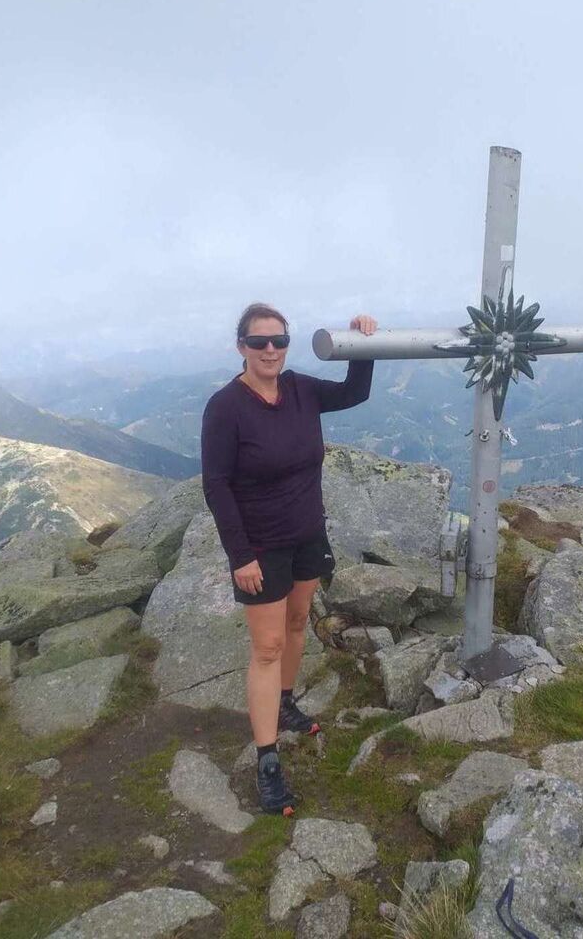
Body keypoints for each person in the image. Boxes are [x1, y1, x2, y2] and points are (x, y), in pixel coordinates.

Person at [201, 302, 376, 815]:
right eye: (259, 342)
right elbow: (217, 485)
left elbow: (355, 393)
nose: (270, 350)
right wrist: (240, 556)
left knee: (298, 623)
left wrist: (362, 344)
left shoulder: (300, 389)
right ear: (241, 347)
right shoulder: (225, 407)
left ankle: (284, 701)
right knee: (268, 646)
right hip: (260, 546)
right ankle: (268, 759)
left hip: (307, 534)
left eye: (279, 340)